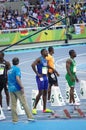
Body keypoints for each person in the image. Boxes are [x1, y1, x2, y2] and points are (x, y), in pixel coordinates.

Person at [7, 57, 34, 122]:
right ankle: (30, 117)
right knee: (24, 103)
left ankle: (15, 119)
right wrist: (21, 87)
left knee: (13, 104)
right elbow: (17, 78)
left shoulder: (9, 70)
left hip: (11, 88)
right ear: (18, 62)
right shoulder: (17, 69)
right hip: (17, 88)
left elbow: (8, 80)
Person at [31, 48, 52, 115]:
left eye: (47, 51)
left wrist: (54, 70)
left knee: (45, 92)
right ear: (42, 53)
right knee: (40, 92)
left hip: (45, 77)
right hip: (40, 78)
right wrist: (37, 73)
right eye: (45, 51)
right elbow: (32, 65)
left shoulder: (45, 59)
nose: (47, 52)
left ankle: (44, 109)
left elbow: (47, 66)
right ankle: (34, 108)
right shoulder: (39, 59)